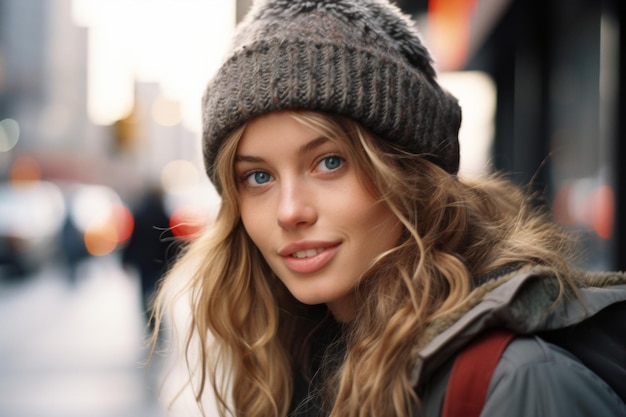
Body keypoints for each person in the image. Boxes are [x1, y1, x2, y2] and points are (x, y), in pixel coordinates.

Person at [151, 1, 626, 416]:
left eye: (329, 162)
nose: (289, 211)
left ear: (409, 174)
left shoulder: (518, 383)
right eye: (259, 177)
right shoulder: (290, 363)